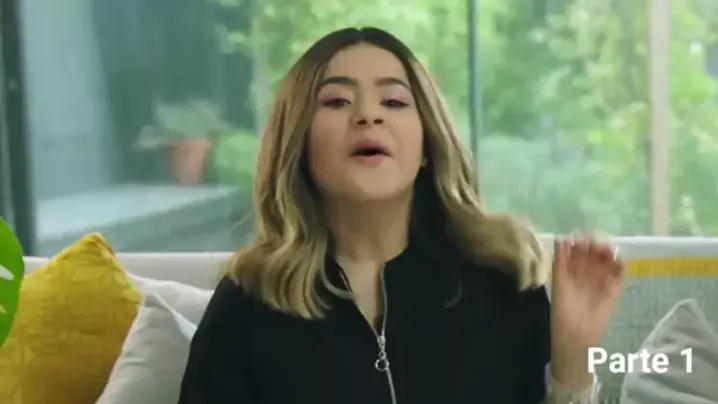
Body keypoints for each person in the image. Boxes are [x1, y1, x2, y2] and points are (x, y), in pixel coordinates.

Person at [177, 27, 626, 404]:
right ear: (299, 143)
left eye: (393, 102)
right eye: (337, 101)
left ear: (427, 142)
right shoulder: (248, 302)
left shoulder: (503, 279)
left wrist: (573, 366)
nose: (367, 116)